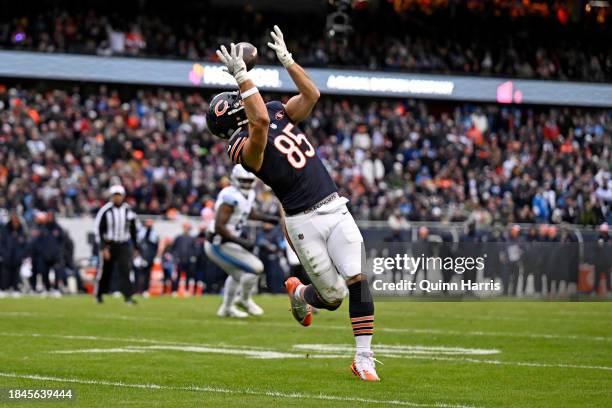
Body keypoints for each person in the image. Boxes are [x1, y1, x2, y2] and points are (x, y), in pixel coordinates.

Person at [208, 26, 379, 380]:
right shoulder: (240, 148)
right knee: (332, 297)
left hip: (333, 203)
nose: (238, 98)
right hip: (303, 221)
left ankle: (363, 358)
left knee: (358, 279)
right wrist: (243, 79)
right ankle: (301, 292)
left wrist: (288, 61)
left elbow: (311, 94)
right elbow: (259, 123)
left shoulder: (271, 107)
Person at [204, 165, 278, 318]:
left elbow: (248, 213)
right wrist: (241, 242)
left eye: (248, 181)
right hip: (218, 243)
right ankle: (244, 300)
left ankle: (226, 308)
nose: (245, 184)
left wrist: (268, 218)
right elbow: (219, 227)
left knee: (238, 275)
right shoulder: (230, 196)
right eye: (242, 180)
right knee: (256, 268)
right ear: (234, 179)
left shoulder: (248, 194)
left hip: (227, 242)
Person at [93, 185, 139, 304]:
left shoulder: (128, 210)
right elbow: (99, 230)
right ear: (111, 197)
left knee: (125, 270)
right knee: (105, 271)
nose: (117, 198)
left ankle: (128, 297)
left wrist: (135, 247)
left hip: (123, 244)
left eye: (119, 195)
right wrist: (103, 248)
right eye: (115, 196)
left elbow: (133, 229)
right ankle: (99, 294)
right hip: (109, 244)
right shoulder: (105, 211)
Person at [172, 223, 198, 295]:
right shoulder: (178, 237)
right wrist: (175, 257)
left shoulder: (192, 238)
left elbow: (195, 249)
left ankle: (186, 290)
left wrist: (193, 257)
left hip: (188, 260)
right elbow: (174, 249)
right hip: (180, 260)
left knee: (188, 276)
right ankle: (175, 291)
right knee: (178, 276)